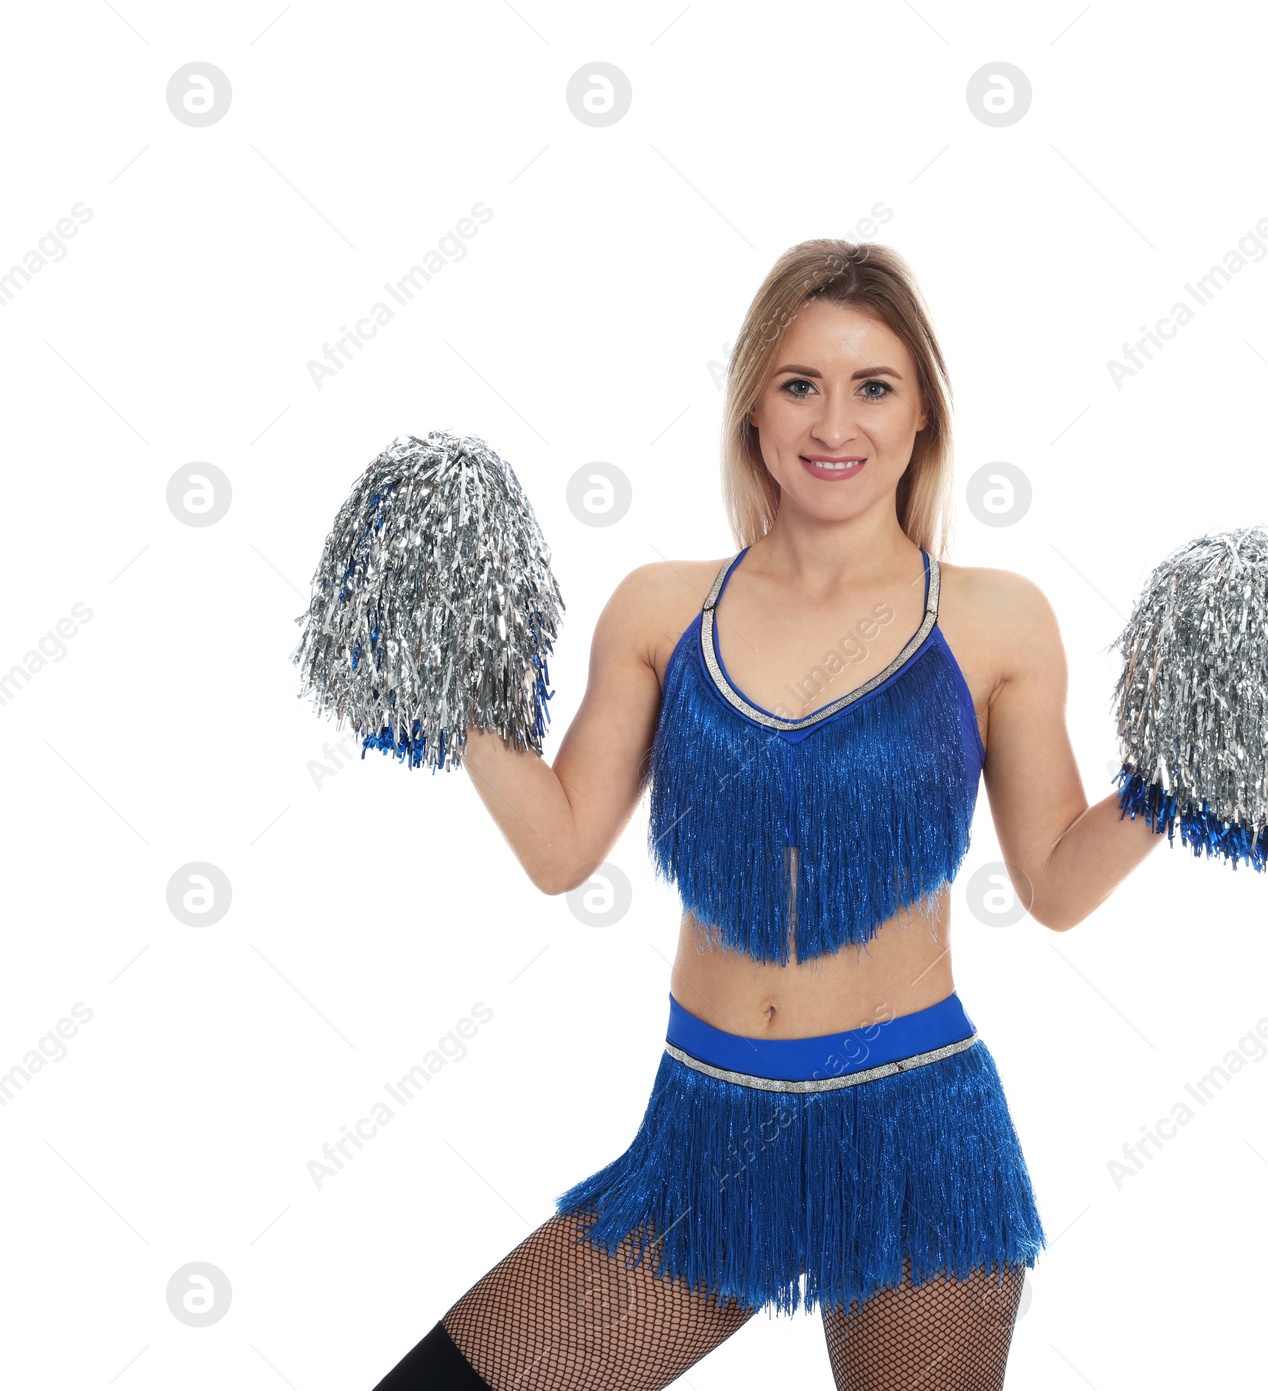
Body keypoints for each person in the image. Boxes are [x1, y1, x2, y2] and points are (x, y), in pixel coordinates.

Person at [373, 239, 1161, 1391]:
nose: (833, 423)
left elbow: (1051, 881)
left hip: (917, 1137)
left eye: (872, 387)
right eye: (799, 384)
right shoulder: (661, 605)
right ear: (752, 410)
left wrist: (1177, 783)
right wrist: (455, 684)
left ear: (922, 418)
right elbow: (558, 848)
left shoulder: (995, 619)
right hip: (704, 1137)